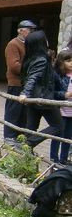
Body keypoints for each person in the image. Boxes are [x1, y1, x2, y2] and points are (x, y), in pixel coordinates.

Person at [18, 29, 62, 160]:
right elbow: (33, 77)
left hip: (33, 99)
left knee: (31, 127)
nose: (48, 41)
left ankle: (24, 156)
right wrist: (25, 93)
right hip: (42, 99)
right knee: (58, 126)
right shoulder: (41, 60)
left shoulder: (33, 58)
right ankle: (29, 143)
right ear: (40, 43)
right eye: (45, 39)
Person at [4, 20, 36, 143]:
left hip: (26, 83)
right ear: (20, 30)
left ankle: (19, 136)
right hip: (16, 83)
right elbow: (14, 66)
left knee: (23, 113)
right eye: (29, 30)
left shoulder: (28, 44)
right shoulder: (13, 44)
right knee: (13, 111)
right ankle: (9, 136)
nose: (31, 32)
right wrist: (32, 69)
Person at [53, 49, 72, 164]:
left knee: (68, 137)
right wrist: (64, 94)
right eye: (69, 61)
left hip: (71, 111)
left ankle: (63, 159)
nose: (71, 63)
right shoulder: (58, 76)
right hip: (61, 110)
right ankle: (54, 158)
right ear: (61, 62)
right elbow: (53, 92)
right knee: (58, 135)